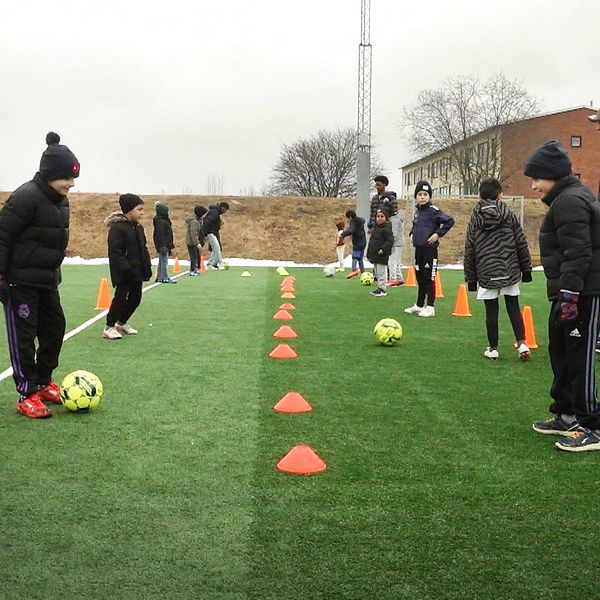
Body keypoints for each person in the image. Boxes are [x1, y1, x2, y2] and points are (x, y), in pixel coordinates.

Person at [525, 140, 600, 452]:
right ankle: (567, 413)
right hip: (569, 291)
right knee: (561, 348)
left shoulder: (570, 201)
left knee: (579, 355)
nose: (533, 186)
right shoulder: (565, 199)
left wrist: (570, 292)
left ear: (552, 174)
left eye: (537, 179)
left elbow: (578, 252)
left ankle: (593, 426)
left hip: (583, 291)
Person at [0, 132, 79, 418]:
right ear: (50, 174)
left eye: (73, 180)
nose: (71, 184)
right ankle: (27, 393)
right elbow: (2, 236)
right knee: (24, 337)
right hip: (19, 282)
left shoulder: (61, 200)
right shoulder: (25, 197)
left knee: (55, 327)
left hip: (46, 280)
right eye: (66, 179)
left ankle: (44, 380)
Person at [464, 178, 533, 360]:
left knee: (491, 311)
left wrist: (471, 279)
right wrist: (526, 270)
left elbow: (469, 247)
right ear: (500, 195)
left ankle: (493, 348)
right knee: (513, 307)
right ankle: (522, 343)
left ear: (479, 195)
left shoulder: (475, 217)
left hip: (487, 271)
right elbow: (520, 241)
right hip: (509, 268)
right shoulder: (508, 213)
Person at [103, 194, 152, 340]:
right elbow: (115, 252)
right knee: (120, 298)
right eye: (139, 209)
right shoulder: (117, 228)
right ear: (129, 210)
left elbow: (143, 248)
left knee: (136, 298)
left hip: (137, 270)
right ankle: (109, 327)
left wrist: (147, 265)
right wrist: (126, 268)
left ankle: (121, 323)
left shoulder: (138, 227)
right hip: (124, 272)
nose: (142, 212)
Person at [404, 181, 454, 318]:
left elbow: (449, 221)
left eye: (425, 194)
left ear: (429, 196)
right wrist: (412, 233)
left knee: (429, 278)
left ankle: (430, 306)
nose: (422, 197)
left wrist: (438, 234)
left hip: (429, 251)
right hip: (418, 250)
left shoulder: (433, 211)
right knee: (419, 278)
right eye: (420, 194)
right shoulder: (417, 212)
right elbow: (416, 226)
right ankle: (419, 304)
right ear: (416, 196)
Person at [366, 208, 394, 297]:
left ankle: (382, 289)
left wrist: (383, 249)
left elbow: (390, 241)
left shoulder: (387, 228)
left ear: (386, 218)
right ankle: (379, 287)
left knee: (382, 272)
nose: (379, 218)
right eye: (378, 216)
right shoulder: (376, 228)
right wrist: (369, 253)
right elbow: (372, 241)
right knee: (377, 272)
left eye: (382, 216)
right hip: (375, 254)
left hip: (382, 254)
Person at [153, 202, 176, 283]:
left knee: (161, 260)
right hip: (163, 244)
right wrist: (163, 246)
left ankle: (159, 276)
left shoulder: (161, 221)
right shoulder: (161, 222)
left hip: (163, 244)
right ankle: (164, 277)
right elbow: (160, 235)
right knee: (164, 260)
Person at [340, 210, 367, 278]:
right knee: (360, 258)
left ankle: (354, 270)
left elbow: (351, 230)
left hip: (357, 242)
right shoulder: (360, 220)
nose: (348, 220)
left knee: (355, 256)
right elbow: (363, 220)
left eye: (348, 218)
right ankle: (362, 271)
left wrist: (343, 234)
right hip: (363, 241)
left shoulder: (353, 221)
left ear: (350, 217)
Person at [202, 202, 229, 270]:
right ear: (223, 208)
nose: (225, 212)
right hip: (210, 232)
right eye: (225, 210)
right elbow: (207, 222)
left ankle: (213, 263)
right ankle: (211, 264)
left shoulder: (216, 212)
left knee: (216, 248)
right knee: (216, 248)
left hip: (213, 232)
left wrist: (219, 224)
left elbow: (212, 223)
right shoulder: (214, 213)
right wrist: (204, 234)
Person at [184, 205, 207, 276]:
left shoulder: (198, 221)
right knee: (193, 256)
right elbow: (193, 234)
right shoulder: (194, 222)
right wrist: (197, 243)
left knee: (196, 255)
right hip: (192, 242)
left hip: (194, 242)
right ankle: (193, 270)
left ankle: (195, 269)